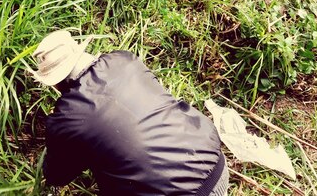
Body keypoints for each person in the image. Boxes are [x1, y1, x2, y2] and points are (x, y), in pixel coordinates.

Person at [31, 30, 229, 196]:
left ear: (56, 82)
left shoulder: (64, 120)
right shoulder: (124, 59)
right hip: (216, 168)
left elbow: (57, 175)